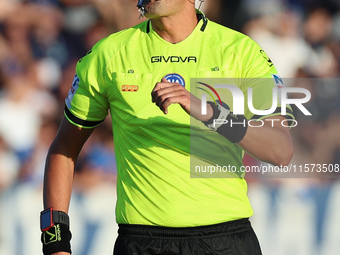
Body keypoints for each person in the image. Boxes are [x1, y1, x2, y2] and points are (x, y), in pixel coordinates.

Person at [40, 0, 294, 254]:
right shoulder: (109, 54)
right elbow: (63, 150)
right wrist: (54, 243)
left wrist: (210, 113)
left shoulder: (242, 51)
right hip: (141, 242)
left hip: (226, 240)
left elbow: (280, 151)